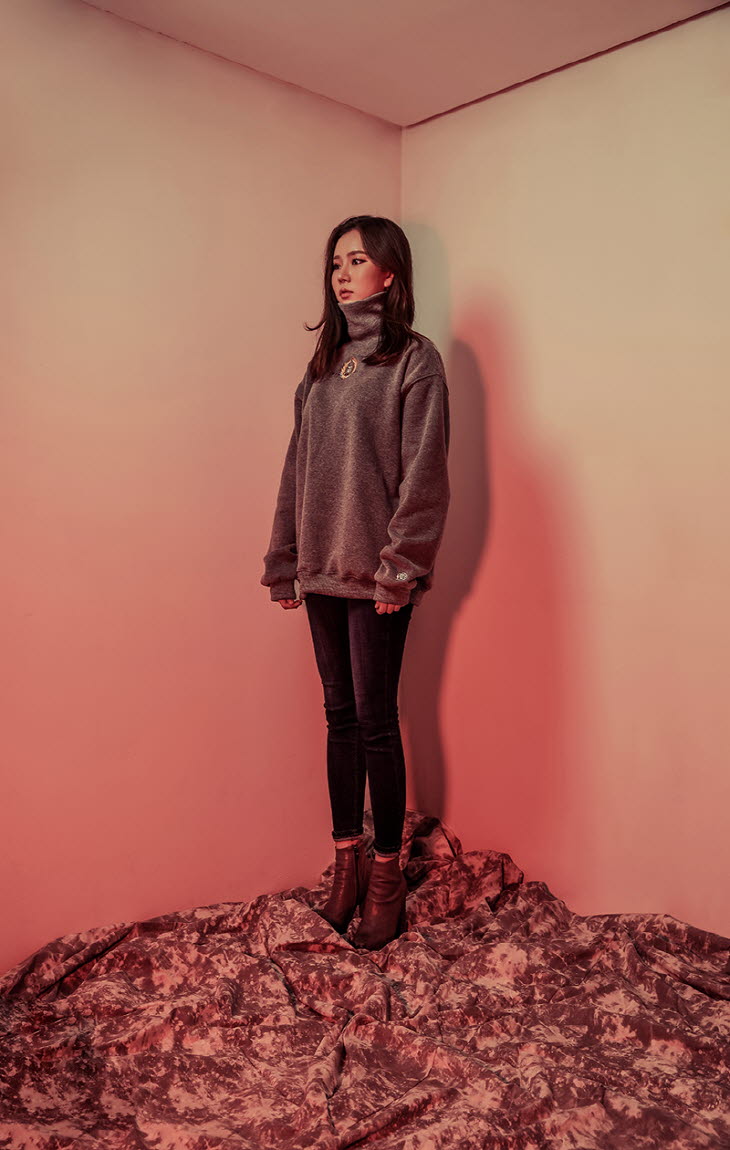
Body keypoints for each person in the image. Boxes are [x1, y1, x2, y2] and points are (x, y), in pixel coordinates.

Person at [261, 215, 450, 949]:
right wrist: (284, 559)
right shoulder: (321, 367)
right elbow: (296, 470)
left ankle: (386, 876)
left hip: (377, 578)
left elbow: (425, 475)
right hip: (320, 571)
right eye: (336, 262)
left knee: (376, 721)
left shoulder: (414, 360)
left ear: (390, 273)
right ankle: (345, 864)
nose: (342, 274)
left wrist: (399, 568)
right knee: (338, 717)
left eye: (358, 260)